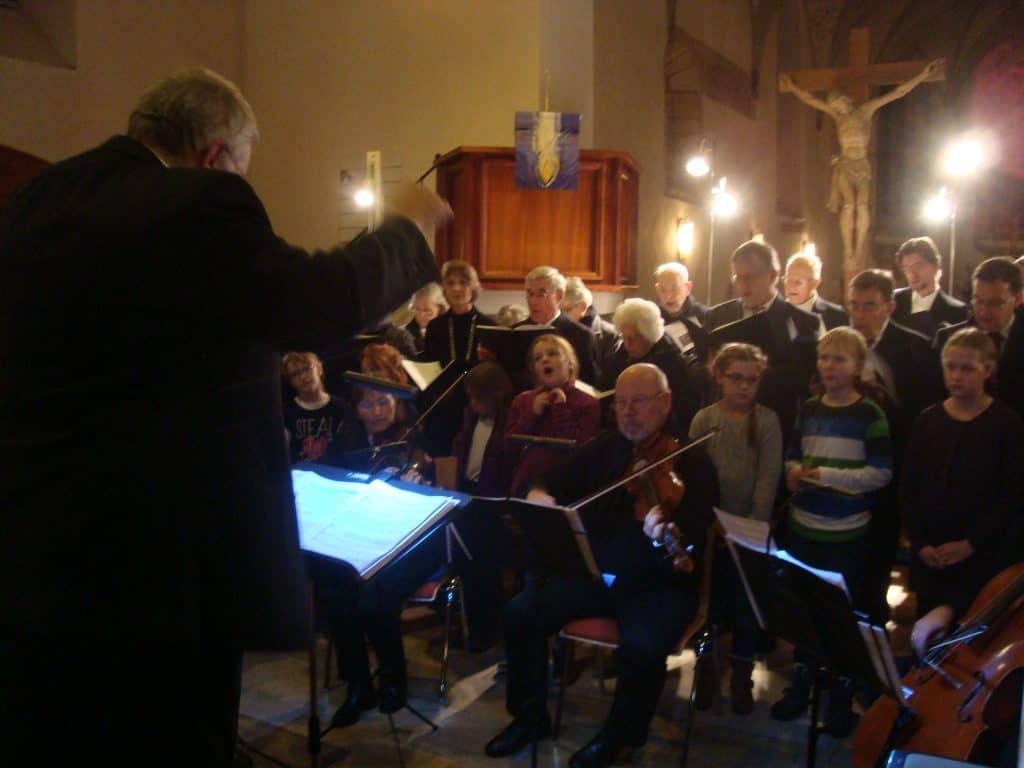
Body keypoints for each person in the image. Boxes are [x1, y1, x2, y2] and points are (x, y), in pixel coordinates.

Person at [0, 67, 449, 766]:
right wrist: (407, 229)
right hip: (159, 566)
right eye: (242, 167)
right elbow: (313, 302)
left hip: (36, 552)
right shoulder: (195, 200)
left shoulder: (39, 199)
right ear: (215, 156)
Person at [484, 364, 717, 768]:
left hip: (656, 586)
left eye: (638, 403)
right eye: (621, 403)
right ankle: (529, 717)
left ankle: (620, 738)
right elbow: (549, 478)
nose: (626, 412)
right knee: (521, 612)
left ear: (665, 403)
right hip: (597, 577)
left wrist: (666, 533)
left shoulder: (693, 462)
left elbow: (693, 538)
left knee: (642, 648)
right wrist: (539, 493)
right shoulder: (607, 446)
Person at [771, 327, 893, 737]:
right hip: (804, 529)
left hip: (845, 533)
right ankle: (804, 678)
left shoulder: (869, 414)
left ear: (857, 367)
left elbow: (881, 472)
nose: (829, 366)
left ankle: (840, 692)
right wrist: (792, 475)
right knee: (803, 611)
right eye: (824, 358)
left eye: (839, 360)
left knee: (838, 615)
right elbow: (792, 455)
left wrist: (827, 476)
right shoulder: (808, 408)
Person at [323, 385, 436, 729]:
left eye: (383, 402)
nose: (376, 410)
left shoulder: (414, 439)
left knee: (376, 598)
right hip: (362, 538)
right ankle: (359, 686)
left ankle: (393, 678)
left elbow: (434, 499)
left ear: (395, 405)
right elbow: (332, 488)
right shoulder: (346, 442)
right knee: (335, 594)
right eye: (367, 403)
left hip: (411, 544)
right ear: (356, 410)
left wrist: (418, 486)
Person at [902, 328, 1024, 622]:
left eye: (967, 368)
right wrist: (920, 543)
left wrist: (972, 544)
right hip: (932, 552)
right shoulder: (928, 420)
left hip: (982, 556)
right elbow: (910, 486)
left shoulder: (1006, 424)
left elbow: (1012, 496)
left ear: (988, 371)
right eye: (950, 367)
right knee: (928, 636)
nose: (956, 376)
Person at [689, 343, 782, 714]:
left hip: (748, 533)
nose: (744, 386)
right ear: (720, 377)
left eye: (752, 380)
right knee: (711, 607)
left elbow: (767, 482)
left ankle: (741, 678)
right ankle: (706, 672)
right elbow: (697, 479)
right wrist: (713, 524)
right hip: (712, 532)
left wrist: (744, 530)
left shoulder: (768, 421)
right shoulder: (703, 419)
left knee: (746, 610)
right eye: (736, 378)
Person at [846, 269, 944, 622]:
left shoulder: (914, 347)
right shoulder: (840, 344)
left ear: (889, 306)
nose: (860, 316)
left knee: (878, 551)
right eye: (854, 306)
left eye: (869, 306)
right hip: (847, 462)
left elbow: (922, 415)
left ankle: (872, 623)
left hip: (893, 463)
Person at [779, 60, 942, 271]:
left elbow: (897, 93)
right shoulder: (838, 117)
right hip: (845, 165)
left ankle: (859, 249)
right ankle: (848, 250)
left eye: (839, 104)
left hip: (861, 164)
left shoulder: (865, 111)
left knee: (862, 205)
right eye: (835, 107)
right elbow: (811, 100)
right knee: (848, 206)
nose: (839, 109)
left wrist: (921, 76)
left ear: (845, 100)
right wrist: (792, 87)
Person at [706, 240, 820, 447]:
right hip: (728, 428)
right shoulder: (718, 316)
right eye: (738, 278)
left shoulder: (803, 322)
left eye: (750, 277)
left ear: (773, 276)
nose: (743, 285)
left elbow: (804, 380)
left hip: (778, 427)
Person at [450, 362, 518, 652]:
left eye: (479, 398)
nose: (474, 404)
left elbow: (504, 461)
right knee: (465, 564)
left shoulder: (509, 421)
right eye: (471, 398)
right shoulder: (470, 417)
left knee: (486, 569)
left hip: (492, 501)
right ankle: (469, 624)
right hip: (468, 494)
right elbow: (463, 451)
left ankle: (487, 629)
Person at [504, 334, 602, 497]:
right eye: (537, 358)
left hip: (566, 488)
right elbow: (508, 448)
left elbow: (579, 451)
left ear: (569, 362)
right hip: (524, 487)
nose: (544, 360)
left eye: (552, 354)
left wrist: (560, 409)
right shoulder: (523, 401)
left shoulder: (588, 403)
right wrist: (532, 414)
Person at [422, 259, 497, 454]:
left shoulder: (489, 325)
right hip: (443, 404)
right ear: (444, 289)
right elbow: (429, 366)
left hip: (478, 405)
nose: (456, 288)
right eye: (450, 283)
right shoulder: (435, 326)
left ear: (473, 287)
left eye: (463, 282)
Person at [935, 257, 1024, 418]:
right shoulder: (948, 339)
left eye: (995, 303)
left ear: (1018, 299)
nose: (983, 311)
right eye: (978, 301)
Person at [601, 298, 703, 435]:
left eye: (632, 338)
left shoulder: (672, 362)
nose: (627, 344)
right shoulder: (622, 354)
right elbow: (605, 385)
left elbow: (682, 411)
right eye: (623, 337)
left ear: (648, 334)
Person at [513, 265, 599, 385]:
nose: (533, 301)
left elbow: (589, 384)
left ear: (559, 296)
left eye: (541, 294)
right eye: (530, 294)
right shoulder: (515, 332)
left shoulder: (581, 336)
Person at [892, 236, 968, 338]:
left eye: (918, 266)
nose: (911, 274)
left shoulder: (957, 310)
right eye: (906, 268)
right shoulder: (893, 300)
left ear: (935, 266)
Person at [281, 351, 349, 465]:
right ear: (290, 381)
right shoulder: (286, 413)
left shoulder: (341, 407)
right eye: (295, 374)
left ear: (319, 368)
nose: (302, 377)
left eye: (307, 369)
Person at [562, 275, 618, 372]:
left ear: (583, 307)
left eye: (567, 310)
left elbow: (609, 376)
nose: (562, 315)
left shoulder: (610, 335)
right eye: (560, 310)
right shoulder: (558, 328)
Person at [783, 252, 848, 330]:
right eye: (788, 280)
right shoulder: (772, 314)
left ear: (815, 284)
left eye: (798, 282)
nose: (791, 287)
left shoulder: (836, 316)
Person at [654, 261, 708, 326]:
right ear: (657, 289)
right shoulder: (651, 318)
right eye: (663, 290)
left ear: (688, 288)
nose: (668, 296)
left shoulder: (705, 316)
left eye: (674, 289)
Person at [405, 282, 448, 355]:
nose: (421, 315)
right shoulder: (405, 333)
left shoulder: (449, 330)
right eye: (417, 309)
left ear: (440, 309)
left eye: (427, 310)